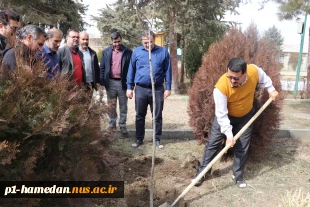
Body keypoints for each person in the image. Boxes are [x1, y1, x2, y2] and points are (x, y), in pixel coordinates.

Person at [193, 57, 279, 188]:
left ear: (244, 74)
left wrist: (271, 89)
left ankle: (238, 176)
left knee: (242, 146)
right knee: (213, 144)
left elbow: (264, 77)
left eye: (236, 78)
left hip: (245, 116)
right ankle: (202, 173)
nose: (232, 80)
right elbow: (221, 115)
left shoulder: (253, 71)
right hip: (225, 116)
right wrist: (229, 135)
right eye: (230, 77)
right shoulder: (221, 87)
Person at [126, 30, 172, 148]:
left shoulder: (163, 52)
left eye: (150, 42)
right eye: (145, 42)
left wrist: (168, 88)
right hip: (140, 89)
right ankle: (139, 139)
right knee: (139, 115)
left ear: (154, 39)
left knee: (157, 115)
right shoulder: (136, 52)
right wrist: (129, 87)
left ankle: (157, 139)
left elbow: (168, 70)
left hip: (157, 89)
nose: (147, 45)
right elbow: (131, 70)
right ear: (142, 41)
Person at [100, 32, 132, 134]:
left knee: (123, 106)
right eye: (115, 42)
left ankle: (122, 125)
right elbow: (102, 68)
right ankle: (112, 124)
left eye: (119, 41)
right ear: (111, 41)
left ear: (121, 40)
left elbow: (131, 69)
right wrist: (102, 82)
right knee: (111, 105)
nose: (117, 43)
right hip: (110, 82)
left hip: (123, 83)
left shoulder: (128, 52)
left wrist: (130, 85)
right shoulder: (106, 52)